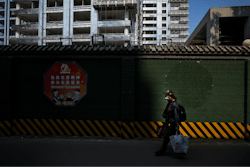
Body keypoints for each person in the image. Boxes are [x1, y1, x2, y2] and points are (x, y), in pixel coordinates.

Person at [155, 90, 181, 156]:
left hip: (174, 123)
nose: (165, 97)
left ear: (170, 96)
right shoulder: (169, 104)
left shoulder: (174, 104)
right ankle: (179, 149)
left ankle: (161, 151)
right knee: (175, 136)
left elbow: (177, 116)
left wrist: (177, 125)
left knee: (167, 136)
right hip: (171, 123)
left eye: (166, 96)